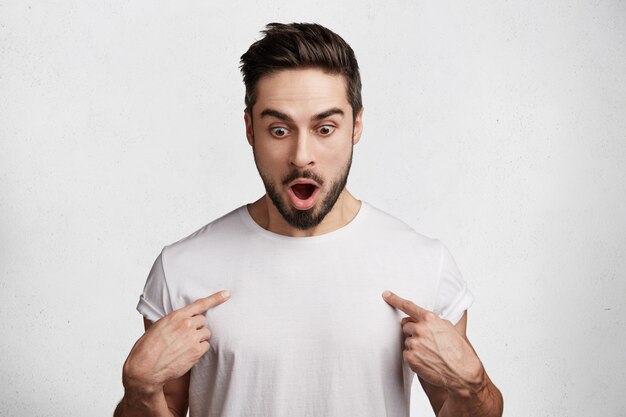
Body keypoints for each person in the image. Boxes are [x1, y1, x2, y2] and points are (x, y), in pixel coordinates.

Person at [114, 22, 503, 417]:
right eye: (279, 129)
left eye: (325, 128)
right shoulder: (184, 267)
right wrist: (140, 390)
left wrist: (474, 386)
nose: (302, 155)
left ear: (357, 125)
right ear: (250, 129)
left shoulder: (424, 263)